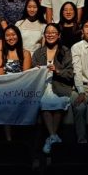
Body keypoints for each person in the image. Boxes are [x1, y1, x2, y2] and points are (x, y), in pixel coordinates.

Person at [33, 23, 75, 154]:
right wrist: (37, 71)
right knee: (43, 102)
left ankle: (51, 136)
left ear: (59, 35)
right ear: (44, 35)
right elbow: (32, 72)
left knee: (59, 102)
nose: (50, 34)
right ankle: (53, 136)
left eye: (53, 32)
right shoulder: (38, 52)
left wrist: (57, 71)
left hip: (60, 85)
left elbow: (70, 73)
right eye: (48, 32)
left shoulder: (65, 51)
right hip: (43, 86)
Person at [0, 25, 34, 141]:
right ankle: (9, 141)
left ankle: (21, 141)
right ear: (4, 38)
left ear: (18, 36)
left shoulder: (26, 54)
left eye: (13, 35)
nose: (10, 37)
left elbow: (26, 77)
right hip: (4, 90)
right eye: (7, 35)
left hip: (21, 90)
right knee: (6, 107)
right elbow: (0, 76)